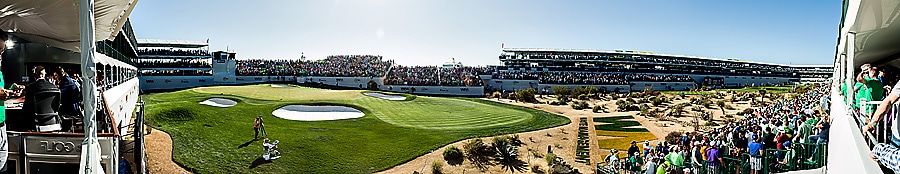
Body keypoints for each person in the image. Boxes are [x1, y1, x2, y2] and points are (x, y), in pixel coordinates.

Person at [23, 66, 62, 132]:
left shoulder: (31, 87)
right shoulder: (55, 87)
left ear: (35, 75)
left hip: (36, 122)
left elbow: (27, 107)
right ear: (44, 75)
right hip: (53, 120)